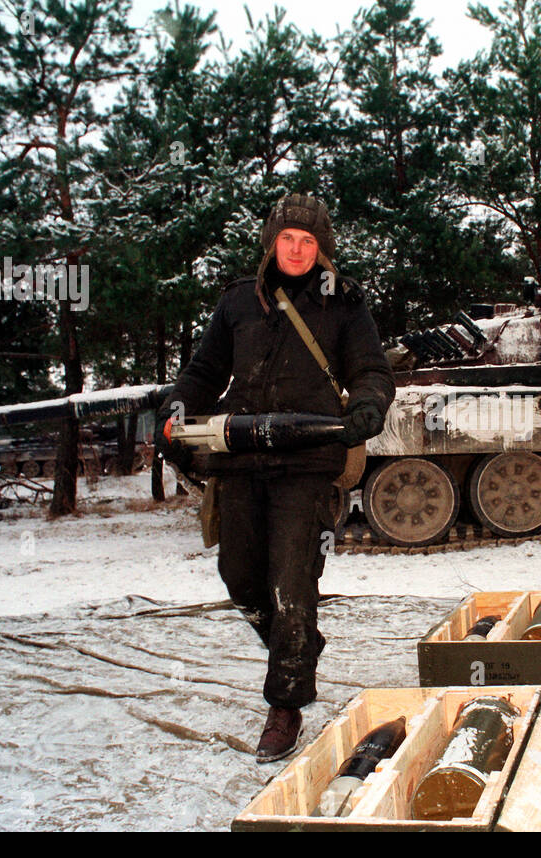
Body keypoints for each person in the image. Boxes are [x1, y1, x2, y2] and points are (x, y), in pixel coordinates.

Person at [154, 192, 395, 762]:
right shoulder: (239, 302)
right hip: (239, 456)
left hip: (307, 463)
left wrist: (368, 405)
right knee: (239, 575)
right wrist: (177, 409)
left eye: (308, 241)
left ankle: (285, 703)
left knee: (291, 583)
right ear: (271, 241)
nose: (296, 249)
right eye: (288, 238)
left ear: (322, 249)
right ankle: (300, 646)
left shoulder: (345, 304)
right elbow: (204, 371)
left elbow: (370, 370)